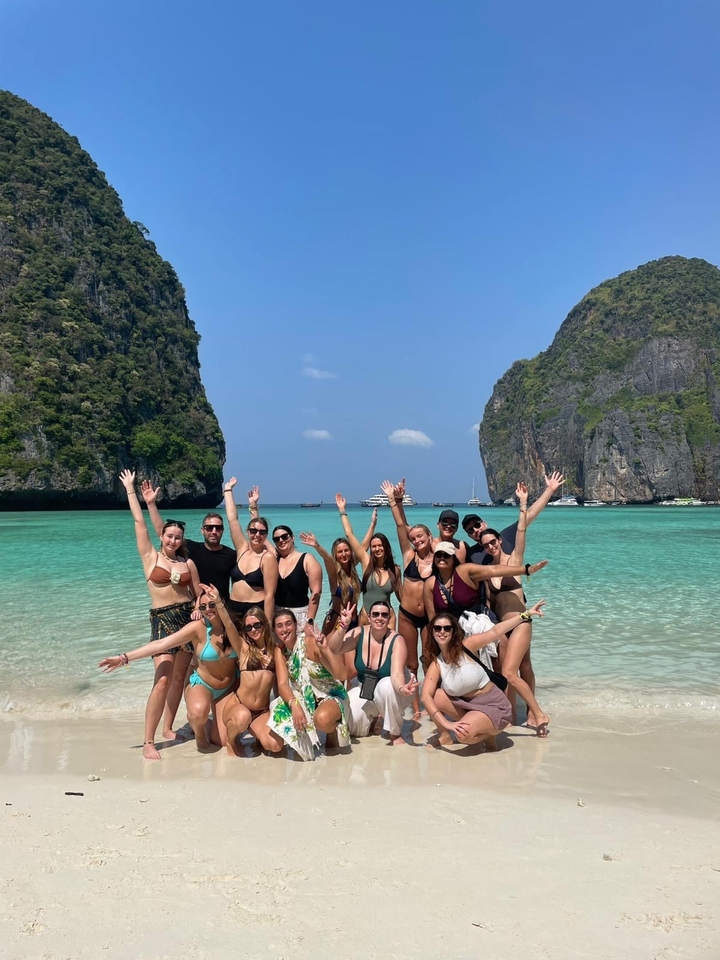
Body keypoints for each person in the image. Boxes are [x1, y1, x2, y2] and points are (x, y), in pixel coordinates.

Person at [118, 470, 202, 760]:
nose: (173, 540)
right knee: (163, 679)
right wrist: (132, 492)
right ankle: (148, 741)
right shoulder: (151, 557)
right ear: (162, 536)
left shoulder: (187, 562)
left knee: (179, 676)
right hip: (162, 618)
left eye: (178, 537)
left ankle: (168, 727)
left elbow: (198, 592)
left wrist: (198, 608)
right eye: (169, 535)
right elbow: (139, 521)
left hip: (186, 620)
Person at [99, 585, 239, 753]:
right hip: (203, 685)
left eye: (211, 604)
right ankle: (199, 732)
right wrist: (124, 658)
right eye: (202, 607)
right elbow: (162, 643)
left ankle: (209, 724)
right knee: (197, 713)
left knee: (222, 741)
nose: (207, 610)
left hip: (227, 688)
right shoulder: (197, 628)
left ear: (220, 602)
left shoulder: (234, 625)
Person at [422, 602, 545, 749]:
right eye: (437, 628)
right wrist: (446, 724)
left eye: (447, 628)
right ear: (432, 632)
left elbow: (495, 632)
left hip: (494, 705)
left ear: (453, 631)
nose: (442, 631)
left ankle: (489, 736)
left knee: (462, 736)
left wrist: (525, 615)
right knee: (436, 695)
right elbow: (425, 697)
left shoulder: (466, 646)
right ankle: (446, 736)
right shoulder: (437, 663)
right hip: (468, 707)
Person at [479, 484, 551, 736]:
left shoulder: (515, 560)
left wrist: (523, 503)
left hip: (521, 622)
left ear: (500, 540)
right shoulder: (487, 572)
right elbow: (489, 606)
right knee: (524, 666)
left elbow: (522, 528)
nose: (490, 546)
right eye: (485, 544)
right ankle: (516, 714)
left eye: (493, 541)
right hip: (503, 628)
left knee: (510, 672)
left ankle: (537, 713)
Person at [325, 600, 418, 746]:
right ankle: (373, 721)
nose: (379, 618)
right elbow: (334, 648)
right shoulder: (359, 633)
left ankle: (395, 733)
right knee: (350, 725)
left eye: (384, 615)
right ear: (369, 617)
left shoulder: (397, 640)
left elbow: (397, 674)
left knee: (385, 686)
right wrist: (343, 626)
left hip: (398, 688)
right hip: (366, 688)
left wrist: (402, 688)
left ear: (389, 619)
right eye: (375, 614)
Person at [267, 609, 351, 760]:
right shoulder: (280, 652)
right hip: (307, 699)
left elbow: (342, 675)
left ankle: (331, 729)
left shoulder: (310, 643)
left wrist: (325, 650)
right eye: (279, 626)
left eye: (288, 624)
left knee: (322, 720)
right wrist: (295, 705)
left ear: (295, 625)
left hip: (332, 695)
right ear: (274, 630)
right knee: (277, 706)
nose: (284, 629)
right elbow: (282, 685)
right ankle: (307, 742)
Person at [380, 479, 434, 712]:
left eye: (421, 536)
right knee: (411, 663)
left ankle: (431, 700)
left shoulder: (441, 557)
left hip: (432, 617)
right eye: (414, 538)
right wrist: (395, 501)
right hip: (408, 616)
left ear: (430, 536)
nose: (417, 540)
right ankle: (416, 708)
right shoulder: (409, 555)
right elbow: (401, 527)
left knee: (430, 659)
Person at [141, 482, 237, 600]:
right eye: (209, 527)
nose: (213, 531)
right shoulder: (191, 548)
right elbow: (163, 531)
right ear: (202, 530)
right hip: (198, 608)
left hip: (224, 608)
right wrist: (151, 504)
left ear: (223, 530)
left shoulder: (231, 555)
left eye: (218, 528)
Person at [423, 542, 548, 623]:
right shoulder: (430, 583)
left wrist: (526, 570)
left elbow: (494, 569)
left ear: (453, 559)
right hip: (450, 631)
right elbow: (432, 617)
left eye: (446, 555)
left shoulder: (464, 571)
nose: (442, 558)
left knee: (499, 654)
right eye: (439, 555)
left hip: (478, 624)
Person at [223, 607, 288, 755]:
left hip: (260, 711)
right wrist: (219, 604)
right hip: (239, 706)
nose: (253, 629)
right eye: (248, 627)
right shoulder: (243, 648)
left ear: (265, 624)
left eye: (257, 625)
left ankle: (257, 735)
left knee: (276, 746)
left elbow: (280, 684)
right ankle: (230, 741)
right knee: (242, 716)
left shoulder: (275, 650)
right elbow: (228, 624)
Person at [461, 471, 564, 564]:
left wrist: (549, 490)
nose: (475, 530)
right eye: (470, 530)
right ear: (469, 536)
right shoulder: (471, 554)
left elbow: (529, 515)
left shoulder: (505, 537)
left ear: (484, 523)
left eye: (477, 525)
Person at [335, 494, 401, 626]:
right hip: (366, 618)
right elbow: (349, 535)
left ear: (386, 547)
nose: (377, 549)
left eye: (380, 545)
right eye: (374, 546)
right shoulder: (366, 562)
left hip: (387, 619)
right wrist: (342, 511)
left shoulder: (395, 570)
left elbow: (403, 599)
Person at [223, 477, 278, 621]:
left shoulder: (268, 557)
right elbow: (232, 519)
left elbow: (270, 595)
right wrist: (228, 490)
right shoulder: (242, 549)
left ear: (266, 535)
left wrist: (268, 624)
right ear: (247, 532)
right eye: (253, 531)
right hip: (233, 607)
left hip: (255, 610)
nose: (257, 535)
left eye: (262, 532)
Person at [272, 526, 323, 633]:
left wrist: (310, 621)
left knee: (301, 649)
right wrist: (253, 510)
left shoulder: (307, 559)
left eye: (284, 537)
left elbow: (316, 593)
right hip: (277, 616)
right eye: (277, 539)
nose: (281, 540)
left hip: (300, 616)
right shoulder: (273, 560)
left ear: (292, 538)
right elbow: (259, 539)